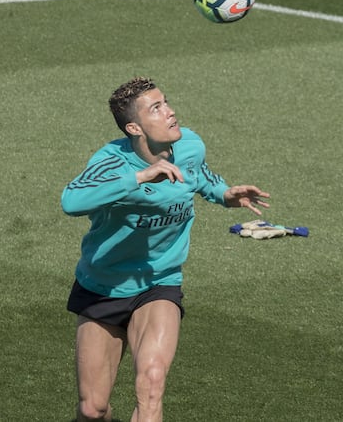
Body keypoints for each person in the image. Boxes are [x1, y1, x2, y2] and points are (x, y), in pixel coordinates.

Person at [61, 76, 270, 422]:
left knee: (152, 384)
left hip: (159, 282)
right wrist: (141, 177)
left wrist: (224, 194)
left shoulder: (189, 144)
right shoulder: (111, 161)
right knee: (92, 409)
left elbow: (199, 176)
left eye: (166, 102)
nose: (170, 112)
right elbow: (71, 200)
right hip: (102, 286)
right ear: (134, 127)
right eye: (156, 108)